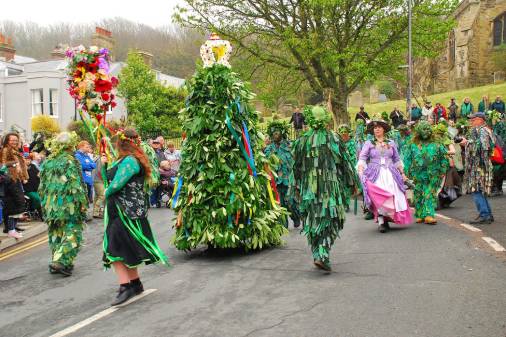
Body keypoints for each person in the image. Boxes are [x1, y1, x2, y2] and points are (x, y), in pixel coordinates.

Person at [102, 129, 168, 306]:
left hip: (126, 211)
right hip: (120, 210)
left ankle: (125, 287)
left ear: (122, 143)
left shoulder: (130, 161)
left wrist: (105, 194)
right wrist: (103, 166)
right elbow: (110, 179)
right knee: (125, 249)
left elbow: (116, 185)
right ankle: (135, 284)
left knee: (113, 249)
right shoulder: (125, 160)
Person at [291, 106, 358, 271]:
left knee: (314, 220)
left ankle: (317, 252)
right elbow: (346, 163)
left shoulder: (302, 141)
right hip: (330, 188)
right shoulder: (333, 139)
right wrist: (353, 183)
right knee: (332, 219)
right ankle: (323, 253)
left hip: (309, 190)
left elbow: (295, 168)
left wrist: (296, 187)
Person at [39, 132, 88, 276]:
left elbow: (42, 187)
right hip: (68, 205)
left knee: (56, 233)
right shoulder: (70, 161)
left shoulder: (48, 162)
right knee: (73, 233)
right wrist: (82, 204)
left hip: (51, 206)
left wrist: (45, 206)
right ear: (69, 145)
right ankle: (60, 262)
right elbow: (76, 184)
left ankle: (58, 261)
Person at [358, 120, 413, 233]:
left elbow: (396, 159)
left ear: (384, 129)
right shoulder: (369, 143)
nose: (377, 129)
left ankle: (388, 218)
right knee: (378, 196)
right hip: (375, 173)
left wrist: (403, 174)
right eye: (375, 128)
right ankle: (382, 221)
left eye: (379, 127)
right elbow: (362, 158)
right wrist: (360, 170)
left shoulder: (391, 143)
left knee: (392, 195)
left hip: (391, 173)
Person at [404, 122, 449, 224]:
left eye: (428, 129)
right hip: (418, 174)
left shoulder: (437, 144)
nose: (426, 131)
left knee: (429, 193)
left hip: (433, 174)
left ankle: (429, 214)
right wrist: (405, 172)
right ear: (419, 131)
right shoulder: (412, 145)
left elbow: (443, 158)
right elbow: (407, 159)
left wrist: (442, 170)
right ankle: (420, 214)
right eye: (424, 129)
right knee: (418, 193)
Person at [460, 112, 495, 224]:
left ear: (480, 119)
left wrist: (467, 143)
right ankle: (487, 214)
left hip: (480, 166)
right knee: (480, 190)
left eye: (473, 119)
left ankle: (485, 215)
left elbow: (483, 147)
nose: (471, 121)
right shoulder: (482, 130)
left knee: (477, 190)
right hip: (480, 165)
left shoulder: (483, 130)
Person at [264, 121, 300, 228]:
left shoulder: (290, 146)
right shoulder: (269, 149)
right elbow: (265, 164)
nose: (275, 135)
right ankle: (283, 224)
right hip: (276, 181)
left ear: (282, 133)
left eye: (277, 133)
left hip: (288, 179)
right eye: (273, 133)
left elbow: (296, 162)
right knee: (280, 203)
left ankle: (296, 216)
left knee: (290, 202)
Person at [1, 133, 28, 239]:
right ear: (7, 140)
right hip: (10, 180)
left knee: (18, 203)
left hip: (16, 179)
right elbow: (3, 164)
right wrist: (14, 164)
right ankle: (11, 229)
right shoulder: (5, 150)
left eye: (16, 140)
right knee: (14, 204)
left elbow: (21, 166)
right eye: (12, 140)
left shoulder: (15, 150)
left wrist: (23, 177)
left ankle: (12, 228)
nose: (14, 142)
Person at [23, 152, 42, 220]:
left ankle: (40, 214)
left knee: (41, 198)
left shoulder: (33, 166)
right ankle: (33, 209)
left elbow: (38, 174)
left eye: (29, 159)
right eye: (26, 159)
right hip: (28, 190)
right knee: (37, 199)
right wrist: (23, 180)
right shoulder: (22, 168)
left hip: (36, 188)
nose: (27, 161)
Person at [93, 154, 105, 219]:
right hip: (99, 180)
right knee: (102, 196)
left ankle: (95, 212)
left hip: (95, 180)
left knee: (97, 196)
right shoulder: (100, 160)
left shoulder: (96, 159)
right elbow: (100, 172)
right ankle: (96, 212)